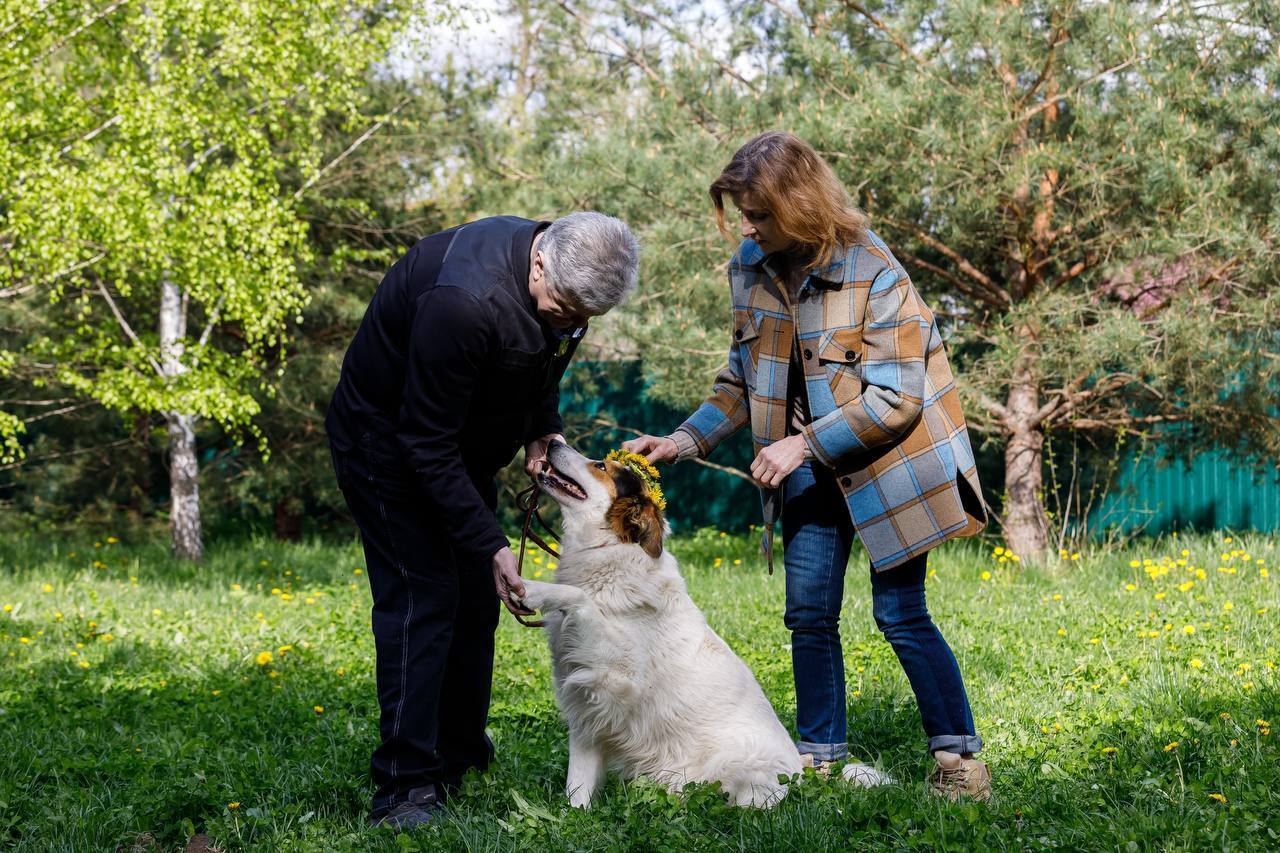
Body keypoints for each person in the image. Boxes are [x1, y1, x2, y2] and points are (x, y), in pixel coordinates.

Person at [624, 132, 992, 801]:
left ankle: (958, 760)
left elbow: (898, 397)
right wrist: (681, 440)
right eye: (743, 212)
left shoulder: (875, 272)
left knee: (901, 613)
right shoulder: (751, 265)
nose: (748, 226)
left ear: (798, 206)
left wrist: (803, 444)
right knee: (808, 613)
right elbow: (742, 374)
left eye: (759, 213)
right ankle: (819, 759)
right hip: (807, 461)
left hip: (890, 462)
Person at [326, 212, 640, 828]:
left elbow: (545, 360)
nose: (571, 324)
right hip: (388, 446)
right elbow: (423, 441)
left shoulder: (559, 283)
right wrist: (489, 541)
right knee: (427, 597)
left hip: (453, 445)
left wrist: (541, 426)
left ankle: (459, 754)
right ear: (541, 262)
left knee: (476, 600)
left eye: (584, 319)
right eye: (565, 308)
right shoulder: (461, 303)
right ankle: (404, 789)